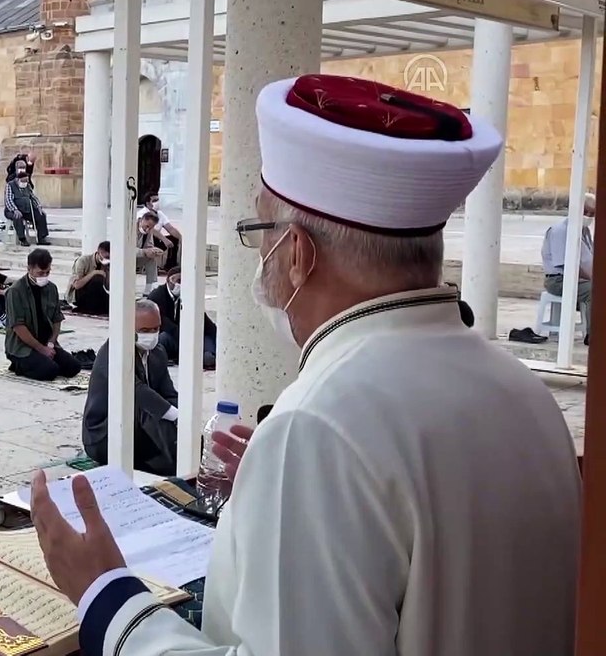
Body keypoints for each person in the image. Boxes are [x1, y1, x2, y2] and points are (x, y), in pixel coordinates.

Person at [31, 73, 581, 656]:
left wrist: (108, 596)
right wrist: (282, 499)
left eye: (258, 232)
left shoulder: (320, 426)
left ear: (296, 253)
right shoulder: (526, 392)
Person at [81, 300, 180, 474]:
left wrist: (185, 418)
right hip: (105, 435)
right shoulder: (113, 352)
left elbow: (168, 392)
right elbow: (135, 390)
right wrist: (172, 413)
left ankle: (179, 454)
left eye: (155, 329)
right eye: (144, 331)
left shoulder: (158, 352)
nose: (152, 335)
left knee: (167, 414)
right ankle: (168, 460)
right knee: (146, 407)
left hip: (141, 433)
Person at [4, 248, 80, 380]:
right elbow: (18, 327)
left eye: (47, 272)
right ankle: (18, 365)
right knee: (49, 371)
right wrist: (41, 349)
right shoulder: (15, 291)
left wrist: (51, 343)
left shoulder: (51, 288)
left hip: (46, 342)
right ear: (29, 269)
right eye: (40, 273)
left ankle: (39, 361)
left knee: (73, 367)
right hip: (23, 347)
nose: (44, 276)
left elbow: (57, 318)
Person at [540, 192, 593, 344]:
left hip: (577, 279)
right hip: (559, 279)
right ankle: (593, 334)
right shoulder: (560, 230)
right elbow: (566, 264)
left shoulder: (585, 231)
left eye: (592, 214)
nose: (588, 217)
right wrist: (590, 277)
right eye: (585, 212)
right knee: (594, 290)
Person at [148, 266, 217, 368]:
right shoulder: (157, 295)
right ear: (168, 280)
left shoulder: (190, 296)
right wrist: (185, 338)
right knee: (161, 340)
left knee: (208, 358)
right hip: (172, 336)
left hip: (193, 337)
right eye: (178, 280)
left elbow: (204, 321)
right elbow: (163, 322)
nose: (180, 284)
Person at [4, 165, 50, 246]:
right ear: (18, 180)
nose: (25, 183)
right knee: (17, 217)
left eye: (26, 181)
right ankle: (22, 238)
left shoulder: (27, 186)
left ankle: (41, 237)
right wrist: (15, 209)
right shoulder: (10, 185)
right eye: (23, 181)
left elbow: (32, 197)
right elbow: (8, 200)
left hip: (27, 209)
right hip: (12, 210)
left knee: (41, 215)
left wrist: (38, 206)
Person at [67, 241, 111, 315]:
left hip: (97, 293)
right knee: (96, 279)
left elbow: (108, 287)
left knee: (112, 305)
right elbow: (77, 285)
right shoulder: (83, 261)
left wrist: (108, 271)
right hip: (80, 293)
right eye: (106, 257)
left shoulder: (105, 265)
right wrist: (94, 273)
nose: (107, 259)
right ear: (98, 252)